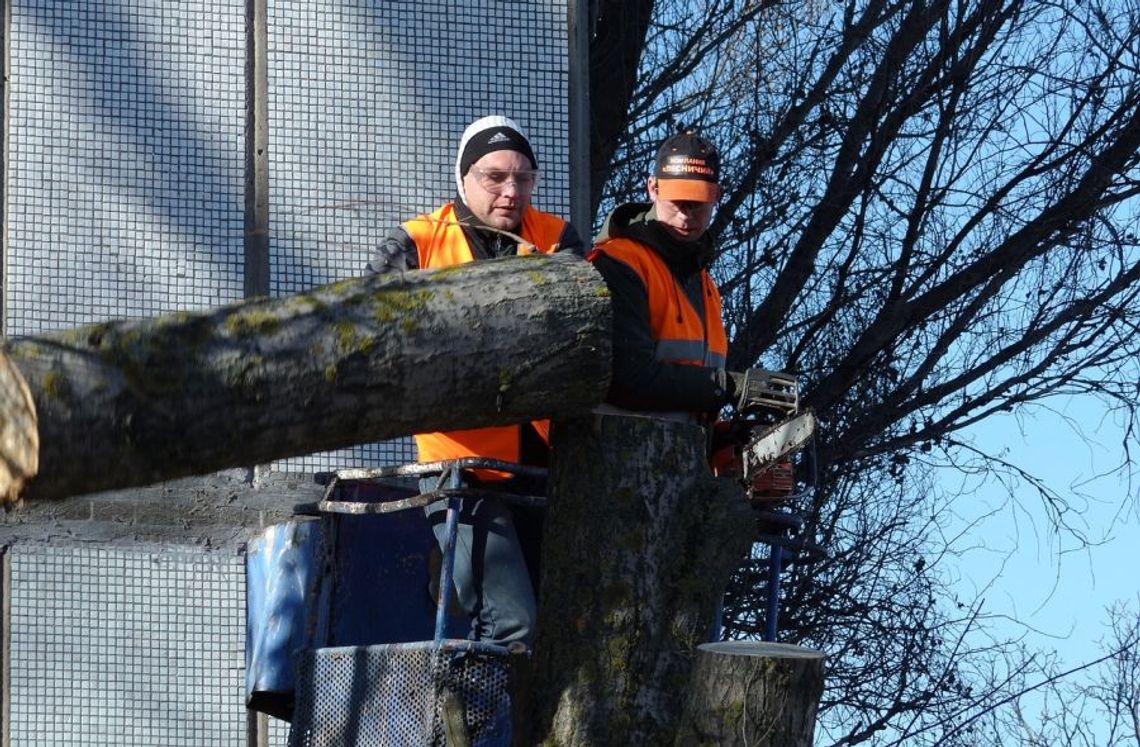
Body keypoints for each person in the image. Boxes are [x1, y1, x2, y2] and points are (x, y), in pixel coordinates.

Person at [366, 115, 584, 649]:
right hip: (460, 469)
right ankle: (479, 729)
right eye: (495, 177)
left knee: (556, 630)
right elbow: (376, 341)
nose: (512, 191)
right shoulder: (416, 243)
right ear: (463, 178)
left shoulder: (557, 237)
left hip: (541, 467)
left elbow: (578, 330)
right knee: (512, 625)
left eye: (524, 178)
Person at [588, 128, 738, 419]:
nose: (686, 214)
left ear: (716, 196)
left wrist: (727, 442)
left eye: (698, 203)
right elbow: (628, 380)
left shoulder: (706, 285)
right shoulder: (618, 263)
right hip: (618, 454)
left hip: (673, 456)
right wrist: (729, 386)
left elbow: (691, 403)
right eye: (678, 201)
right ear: (652, 188)